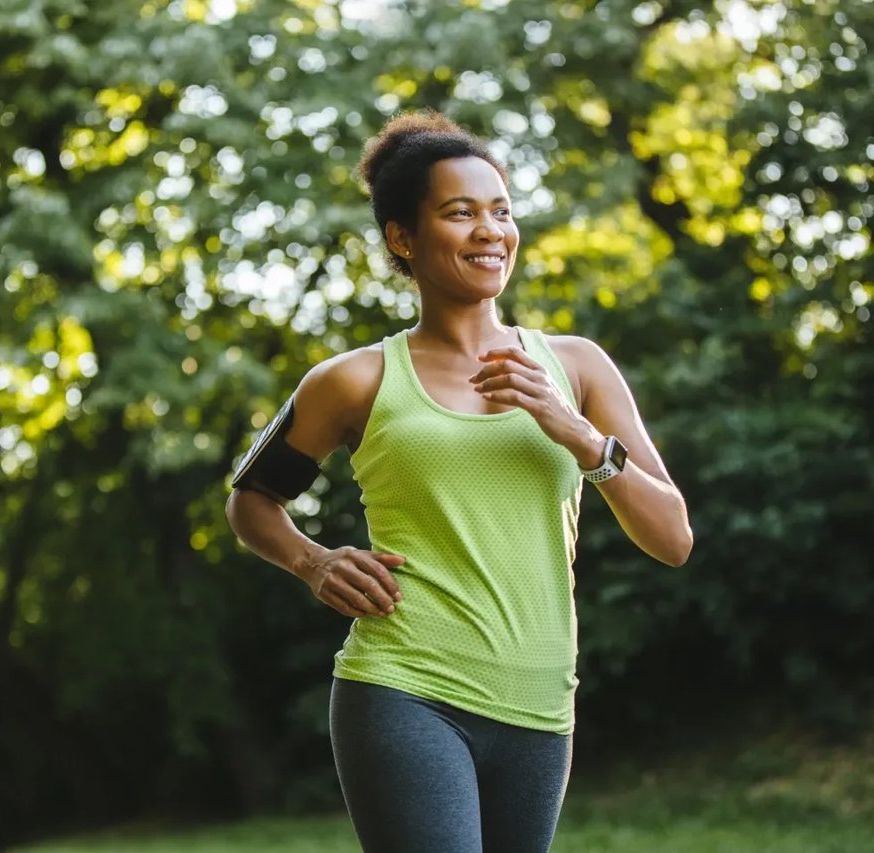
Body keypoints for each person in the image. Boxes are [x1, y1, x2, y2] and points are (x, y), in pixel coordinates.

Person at [224, 111, 693, 853]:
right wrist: (312, 560)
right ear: (401, 238)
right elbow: (252, 501)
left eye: (501, 211)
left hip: (540, 703)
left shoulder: (577, 367)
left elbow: (672, 536)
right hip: (405, 687)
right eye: (460, 212)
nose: (490, 230)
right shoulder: (354, 380)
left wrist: (574, 430)